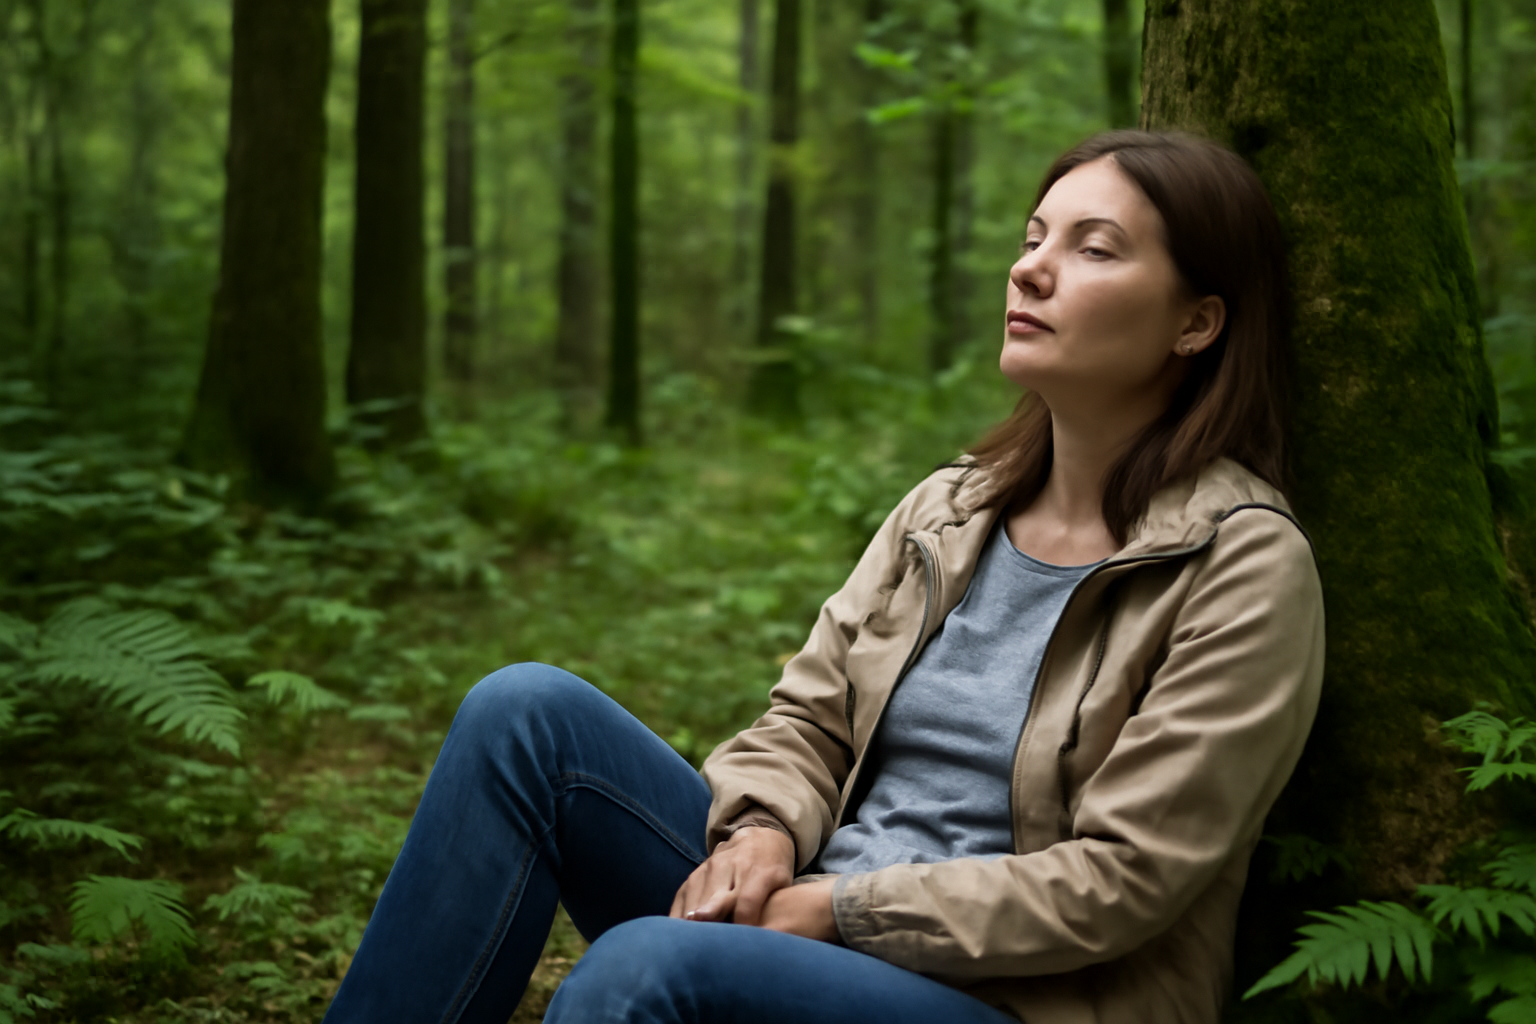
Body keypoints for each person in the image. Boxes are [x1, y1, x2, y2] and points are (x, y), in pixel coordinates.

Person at [321, 130, 1325, 1024]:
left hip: (1022, 995)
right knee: (524, 713)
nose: (1031, 272)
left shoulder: (1239, 564)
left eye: (1092, 248)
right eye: (1032, 237)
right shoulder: (951, 508)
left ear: (1197, 323)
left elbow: (1122, 879)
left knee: (642, 971)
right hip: (813, 919)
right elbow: (807, 718)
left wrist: (837, 911)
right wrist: (761, 832)